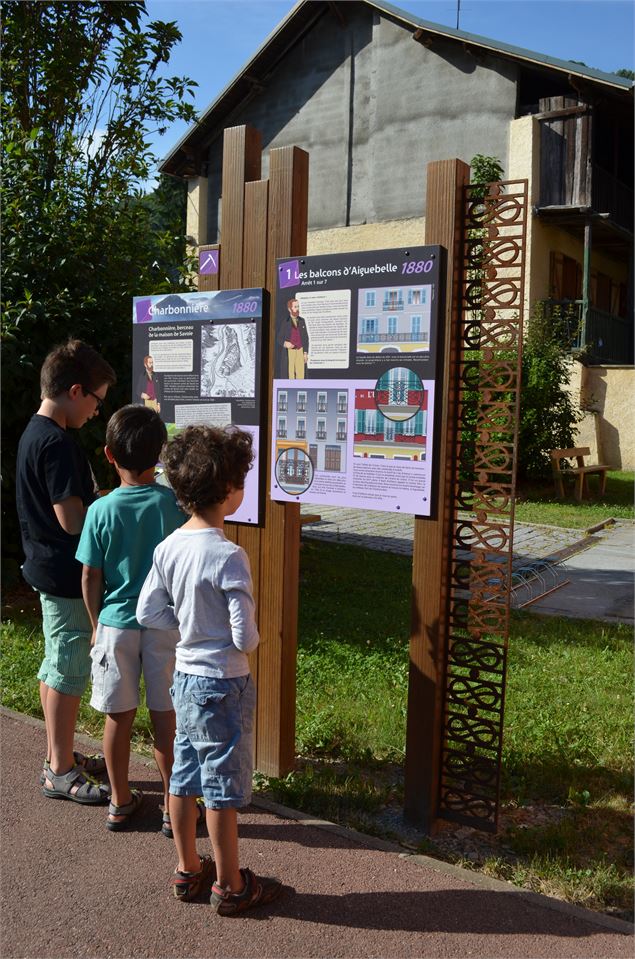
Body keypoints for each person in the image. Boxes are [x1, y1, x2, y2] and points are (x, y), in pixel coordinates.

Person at [136, 426, 282, 916]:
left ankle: (186, 868)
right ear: (229, 491)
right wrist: (243, 638)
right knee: (220, 789)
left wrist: (186, 628)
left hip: (185, 680)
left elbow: (147, 613)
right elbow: (244, 636)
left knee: (184, 777)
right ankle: (231, 883)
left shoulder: (168, 547)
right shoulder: (230, 556)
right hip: (224, 683)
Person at [76, 405, 186, 830]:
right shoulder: (172, 505)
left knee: (117, 716)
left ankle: (120, 801)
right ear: (159, 454)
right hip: (164, 624)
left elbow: (90, 574)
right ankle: (173, 808)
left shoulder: (100, 510)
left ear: (108, 454)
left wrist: (96, 622)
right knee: (166, 717)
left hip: (117, 625)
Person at [16, 339, 116, 803]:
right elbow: (71, 519)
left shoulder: (35, 432)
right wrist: (106, 508)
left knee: (56, 663)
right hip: (63, 574)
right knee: (68, 669)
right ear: (76, 391)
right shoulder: (56, 443)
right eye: (96, 399)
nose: (97, 411)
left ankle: (61, 754)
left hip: (44, 567)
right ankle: (59, 768)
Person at [277, 297, 309, 378]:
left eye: (298, 306)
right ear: (289, 309)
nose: (297, 309)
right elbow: (279, 338)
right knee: (290, 374)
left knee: (301, 375)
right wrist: (285, 343)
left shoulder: (302, 321)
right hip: (290, 352)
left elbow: (305, 338)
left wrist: (305, 353)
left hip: (300, 350)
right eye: (295, 307)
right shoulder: (285, 322)